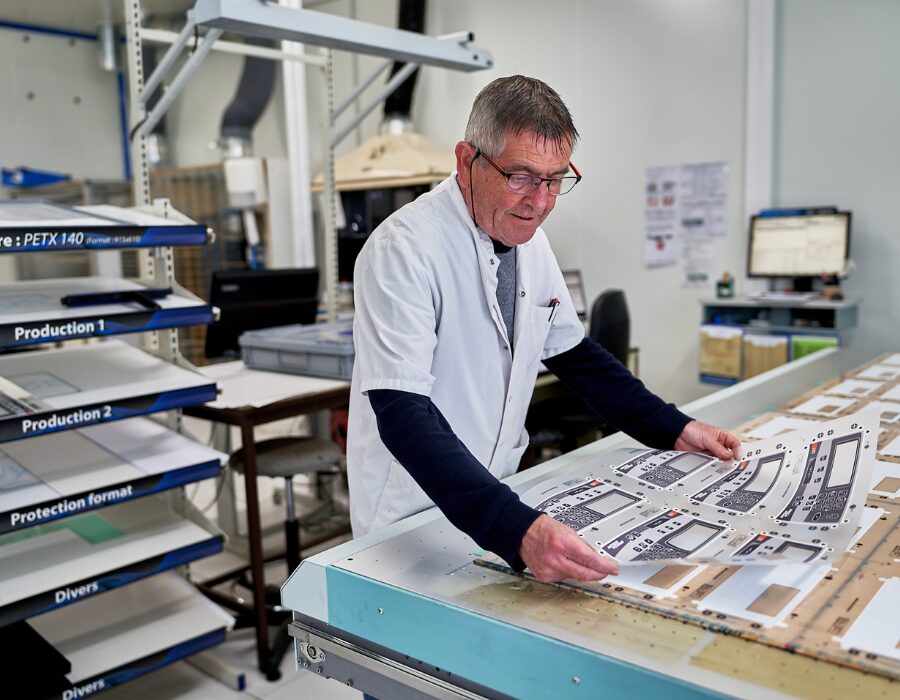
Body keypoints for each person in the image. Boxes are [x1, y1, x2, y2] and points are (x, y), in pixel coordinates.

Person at [346, 75, 740, 584]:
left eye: (556, 179)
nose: (541, 200)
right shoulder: (403, 249)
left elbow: (575, 356)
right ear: (468, 161)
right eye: (522, 176)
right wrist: (517, 530)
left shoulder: (530, 242)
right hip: (410, 515)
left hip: (494, 501)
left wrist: (674, 428)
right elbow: (403, 417)